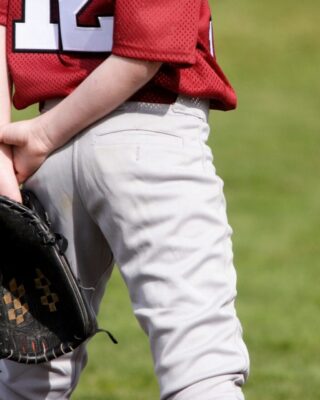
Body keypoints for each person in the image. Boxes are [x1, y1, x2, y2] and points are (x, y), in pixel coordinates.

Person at [0, 1, 250, 399]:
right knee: (200, 368)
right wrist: (44, 135)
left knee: (27, 377)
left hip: (40, 156)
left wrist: (3, 147)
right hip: (150, 133)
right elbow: (148, 49)